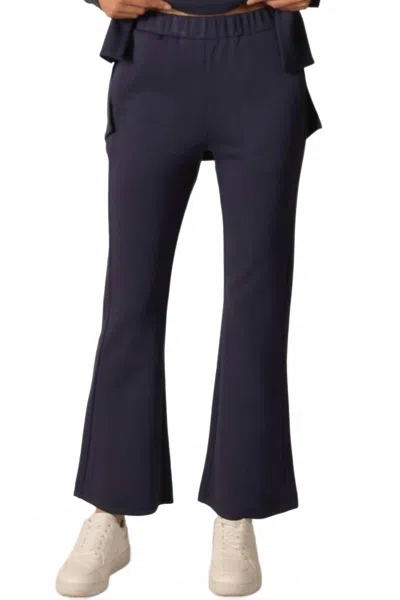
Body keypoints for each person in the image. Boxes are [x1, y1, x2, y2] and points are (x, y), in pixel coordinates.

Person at [56, 0, 322, 596]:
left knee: (257, 297)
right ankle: (110, 510)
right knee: (130, 298)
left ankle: (237, 508)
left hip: (260, 55)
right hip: (152, 51)